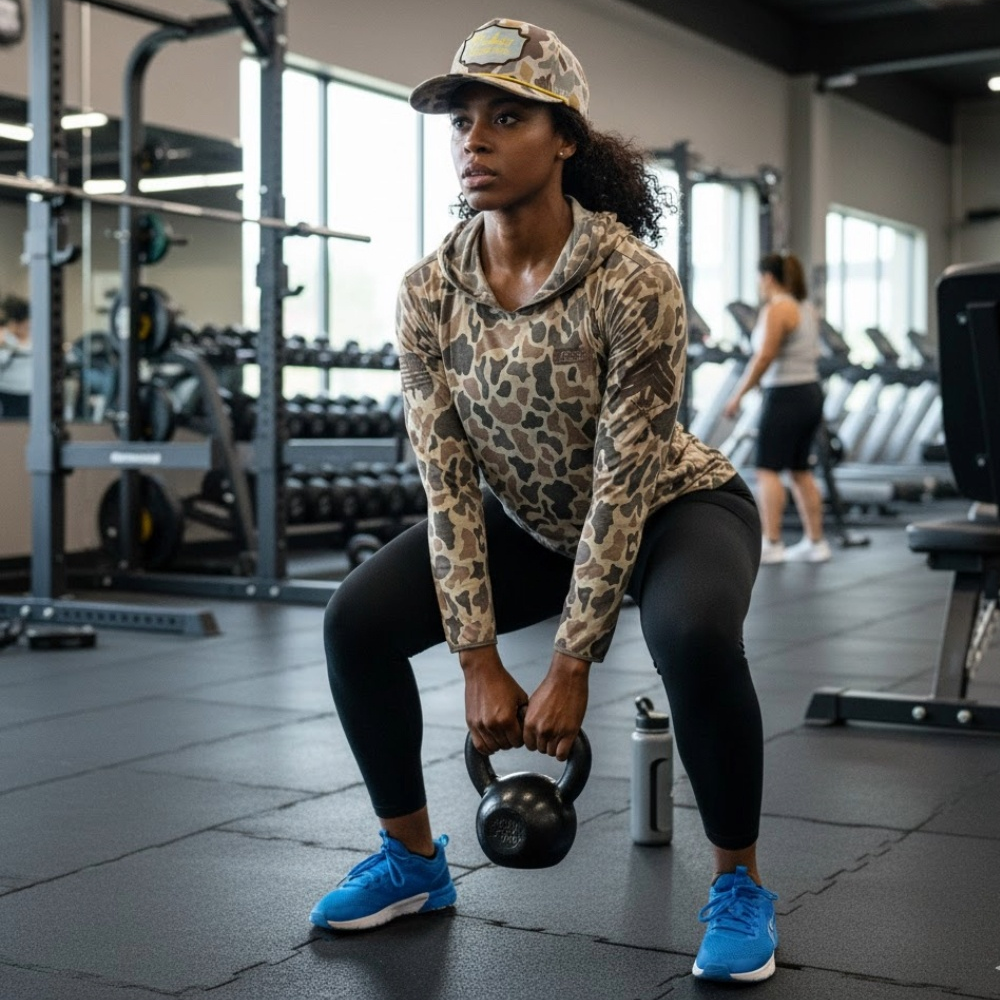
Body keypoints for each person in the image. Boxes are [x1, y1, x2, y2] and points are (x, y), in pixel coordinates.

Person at [312, 18, 779, 984]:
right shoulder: (427, 290)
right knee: (354, 621)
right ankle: (411, 862)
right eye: (462, 121)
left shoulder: (632, 280)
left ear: (565, 137)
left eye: (506, 116)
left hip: (671, 508)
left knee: (691, 636)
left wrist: (572, 664)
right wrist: (476, 656)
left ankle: (739, 883)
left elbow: (622, 480)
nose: (473, 139)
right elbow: (445, 480)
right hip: (529, 520)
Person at [723, 253, 830, 565]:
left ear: (768, 277)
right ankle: (816, 542)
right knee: (800, 470)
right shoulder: (807, 309)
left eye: (759, 278)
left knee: (767, 469)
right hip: (809, 392)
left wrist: (737, 395)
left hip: (785, 394)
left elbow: (765, 356)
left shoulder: (777, 309)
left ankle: (772, 541)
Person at [0, 294, 31, 418]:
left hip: (28, 391)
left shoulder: (35, 337)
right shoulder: (5, 336)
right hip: (6, 390)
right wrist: (8, 345)